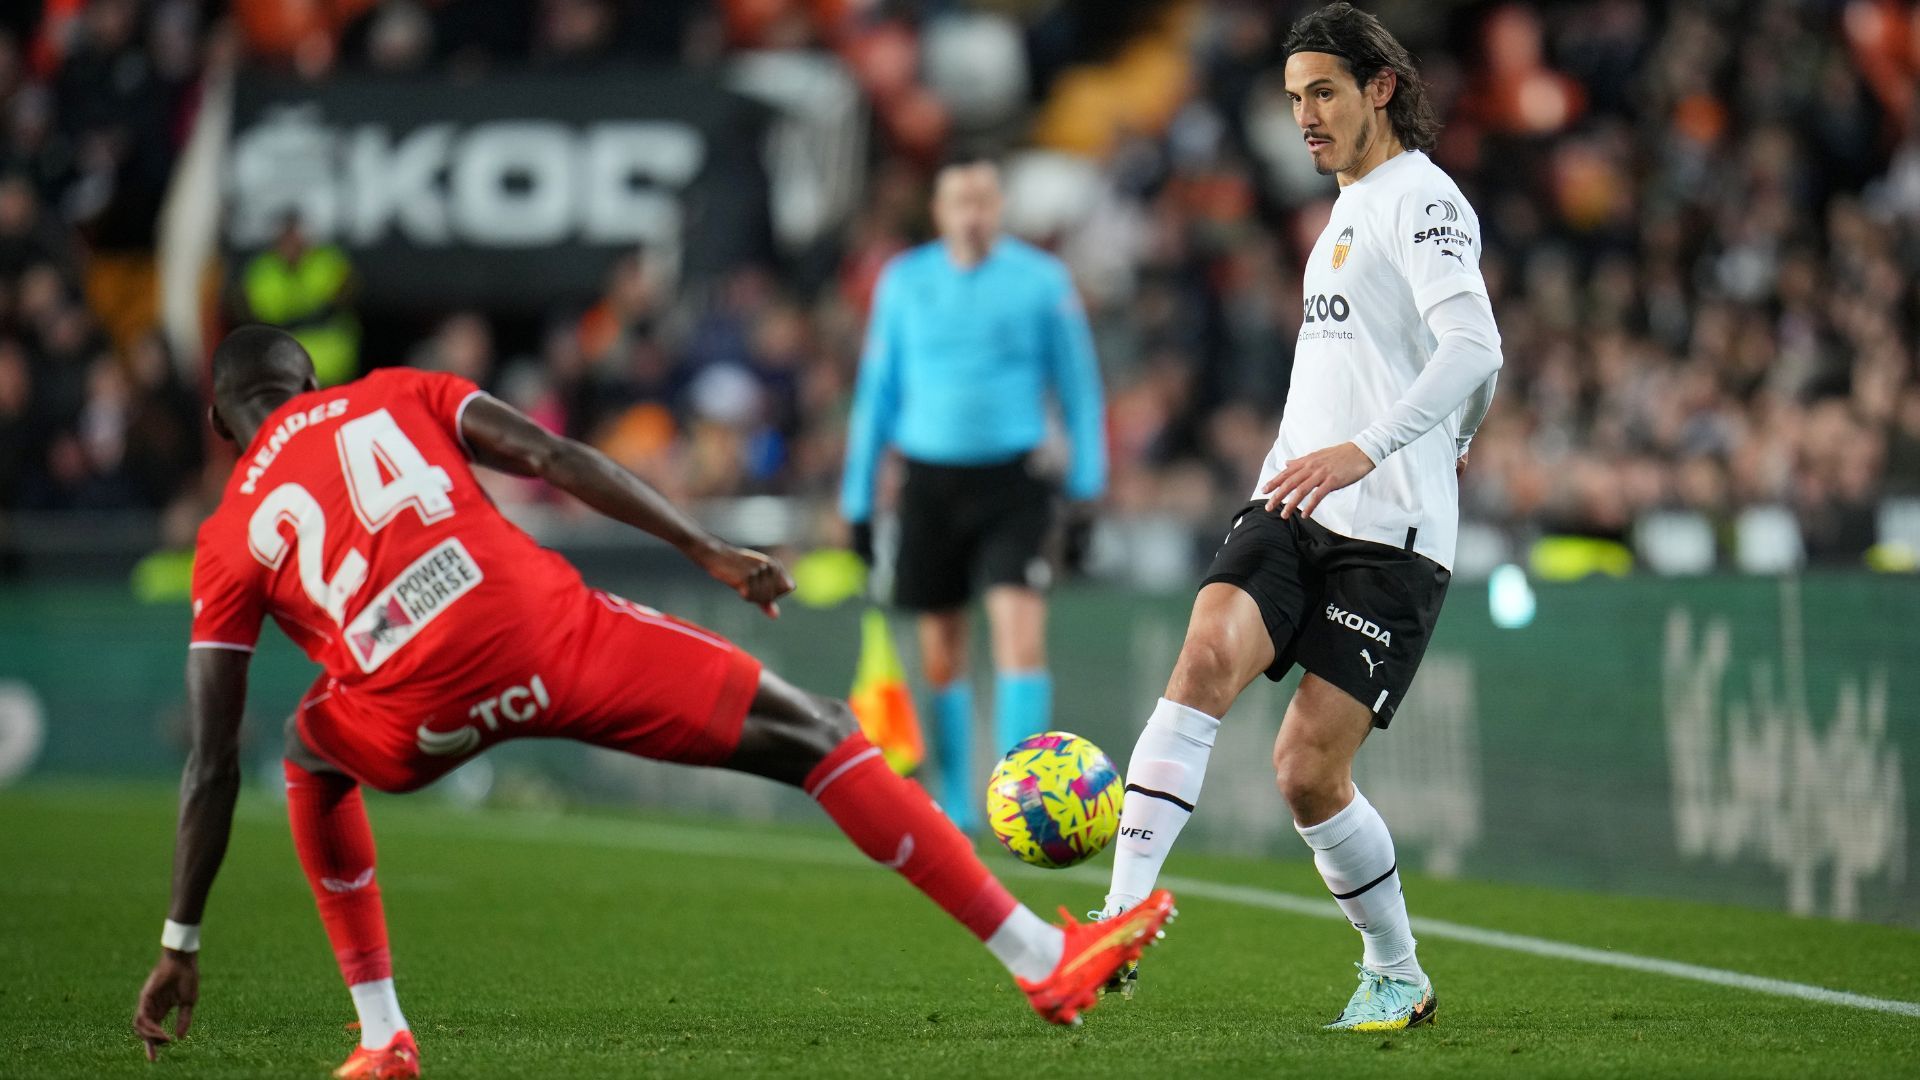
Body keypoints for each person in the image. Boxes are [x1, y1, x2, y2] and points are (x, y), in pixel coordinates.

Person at [131, 326, 1173, 1078]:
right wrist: (703, 546)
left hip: (409, 715)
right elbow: (551, 456)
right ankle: (1040, 957)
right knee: (816, 733)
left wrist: (181, 938)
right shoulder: (394, 392)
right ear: (312, 378)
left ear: (225, 425)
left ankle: (381, 1036)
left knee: (307, 748)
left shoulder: (225, 539)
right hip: (540, 634)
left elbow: (208, 760)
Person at [1092, 2, 1501, 1031]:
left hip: (1389, 534)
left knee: (1306, 775)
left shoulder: (1423, 200)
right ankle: (1117, 918)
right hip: (1289, 500)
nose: (1305, 117)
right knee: (1198, 664)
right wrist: (1457, 430)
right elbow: (1458, 380)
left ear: (1381, 86)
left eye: (1323, 92)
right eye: (1292, 100)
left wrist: (1384, 446)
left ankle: (1396, 968)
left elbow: (1476, 348)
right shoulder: (1345, 209)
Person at [840, 155, 1107, 831]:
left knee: (1020, 634)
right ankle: (958, 808)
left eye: (985, 198)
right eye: (961, 199)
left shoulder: (1042, 282)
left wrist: (1085, 491)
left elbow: (1079, 389)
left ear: (1000, 206)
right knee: (942, 650)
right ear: (939, 209)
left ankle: (1030, 803)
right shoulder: (904, 281)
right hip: (929, 481)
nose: (974, 212)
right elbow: (877, 395)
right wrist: (858, 501)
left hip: (1014, 481)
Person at [237, 214, 361, 387]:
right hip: (283, 368)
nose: (291, 244)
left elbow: (346, 292)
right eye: (286, 237)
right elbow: (253, 311)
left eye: (295, 236)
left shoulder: (327, 261)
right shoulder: (262, 270)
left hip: (332, 366)